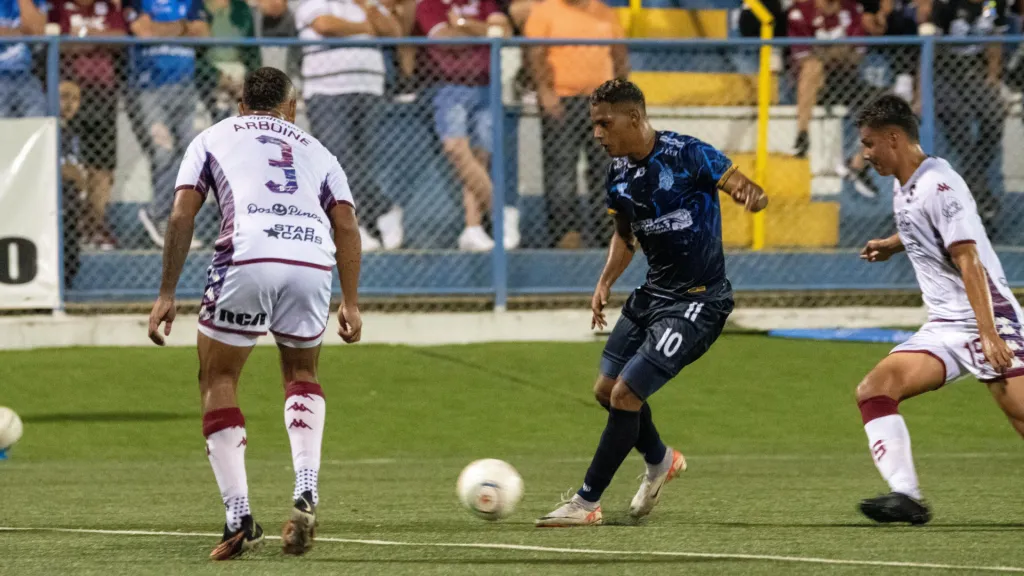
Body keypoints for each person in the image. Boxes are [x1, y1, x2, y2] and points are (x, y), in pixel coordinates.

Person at [146, 67, 364, 559]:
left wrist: (166, 291)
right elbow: (347, 226)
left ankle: (238, 515)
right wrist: (349, 301)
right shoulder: (318, 150)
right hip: (312, 256)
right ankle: (306, 487)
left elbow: (183, 214)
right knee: (302, 373)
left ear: (241, 104)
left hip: (248, 254)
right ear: (292, 107)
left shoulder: (212, 137)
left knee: (217, 378)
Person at [534, 79, 768, 527]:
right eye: (594, 124)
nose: (598, 133)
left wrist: (749, 193)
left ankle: (586, 503)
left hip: (698, 301)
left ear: (635, 118)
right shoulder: (617, 173)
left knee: (626, 394)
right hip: (653, 294)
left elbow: (740, 183)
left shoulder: (688, 154)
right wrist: (604, 281)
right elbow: (626, 235)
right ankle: (660, 459)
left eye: (605, 123)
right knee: (606, 391)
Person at [854, 95, 1024, 524]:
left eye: (870, 144)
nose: (866, 154)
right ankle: (906, 496)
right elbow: (923, 224)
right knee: (875, 389)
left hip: (986, 316)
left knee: (1019, 412)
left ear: (894, 138)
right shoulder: (905, 182)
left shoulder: (939, 185)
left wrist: (988, 333)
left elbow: (968, 259)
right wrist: (894, 245)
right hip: (946, 324)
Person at [524, 0, 629, 249]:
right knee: (561, 171)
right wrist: (545, 90)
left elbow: (619, 55)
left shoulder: (605, 14)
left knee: (606, 170)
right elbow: (535, 55)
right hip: (562, 100)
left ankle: (608, 235)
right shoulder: (544, 12)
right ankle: (565, 235)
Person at [415, 0, 517, 252]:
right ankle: (500, 212)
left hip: (486, 85)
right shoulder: (430, 5)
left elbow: (503, 34)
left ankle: (473, 228)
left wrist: (462, 24)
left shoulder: (484, 3)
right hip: (448, 86)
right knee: (457, 150)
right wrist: (483, 32)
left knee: (481, 157)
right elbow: (444, 40)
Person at [51, 0, 130, 250]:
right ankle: (67, 227)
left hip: (103, 92)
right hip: (70, 90)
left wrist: (83, 36)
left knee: (102, 166)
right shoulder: (59, 7)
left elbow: (119, 39)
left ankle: (95, 226)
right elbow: (58, 44)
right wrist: (99, 40)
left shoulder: (108, 8)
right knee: (65, 161)